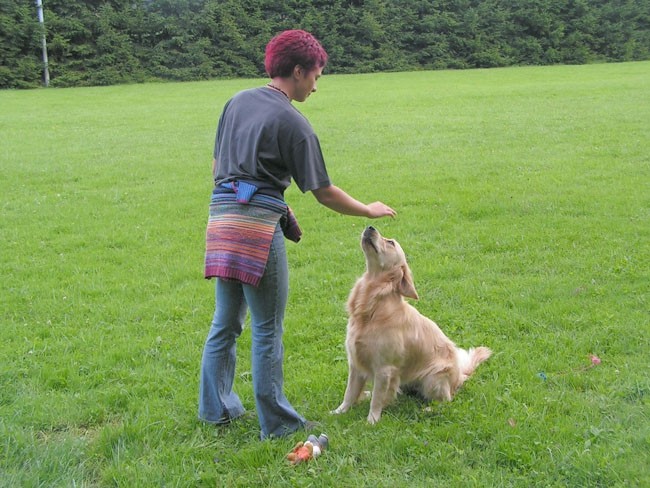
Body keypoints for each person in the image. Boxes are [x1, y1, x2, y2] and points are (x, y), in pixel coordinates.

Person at [199, 29, 396, 440]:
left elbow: (220, 167)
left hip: (220, 221)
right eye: (316, 77)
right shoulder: (293, 122)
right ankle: (279, 425)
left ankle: (215, 410)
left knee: (226, 321)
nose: (316, 86)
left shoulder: (236, 102)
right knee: (267, 327)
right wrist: (367, 209)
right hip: (256, 229)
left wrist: (260, 194)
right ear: (297, 70)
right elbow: (323, 192)